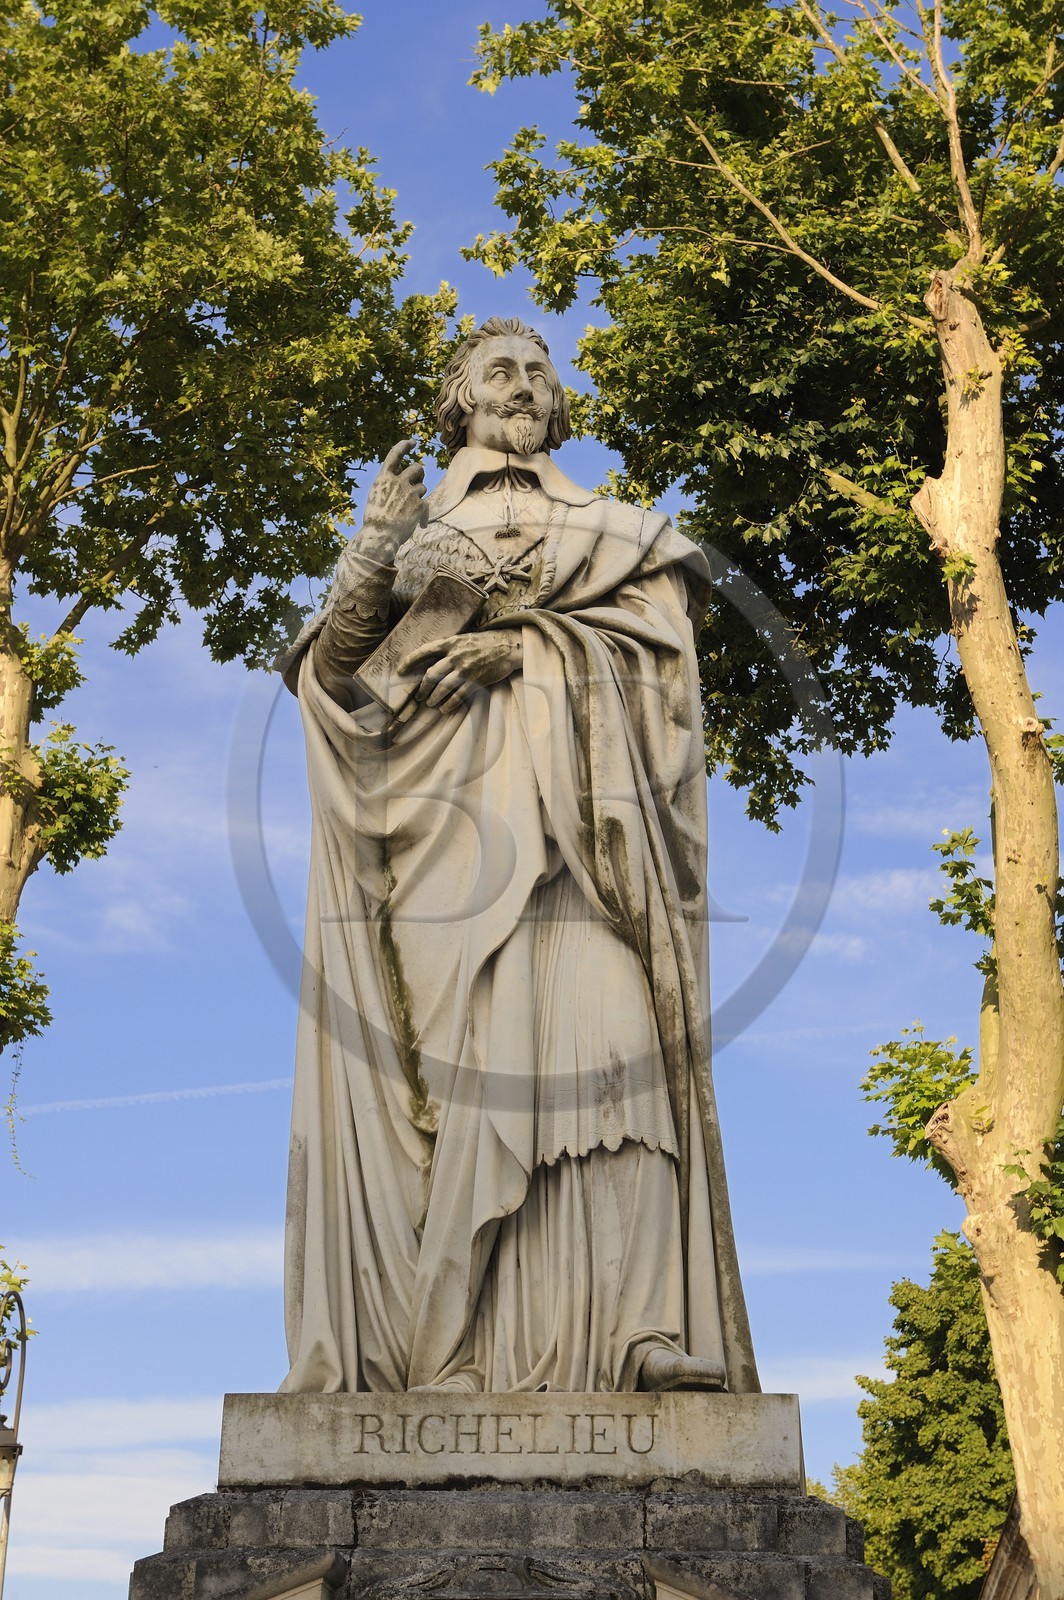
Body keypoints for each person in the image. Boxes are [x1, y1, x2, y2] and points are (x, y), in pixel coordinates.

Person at [277, 317, 759, 1396]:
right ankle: (442, 1354)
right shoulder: (414, 526)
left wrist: (526, 648)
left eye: (541, 372)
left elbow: (667, 686)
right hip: (437, 854)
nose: (525, 385)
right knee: (459, 1099)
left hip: (582, 855)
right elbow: (335, 685)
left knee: (619, 1058)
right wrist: (372, 551)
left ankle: (638, 1334)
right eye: (500, 370)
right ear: (458, 399)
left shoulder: (620, 533)